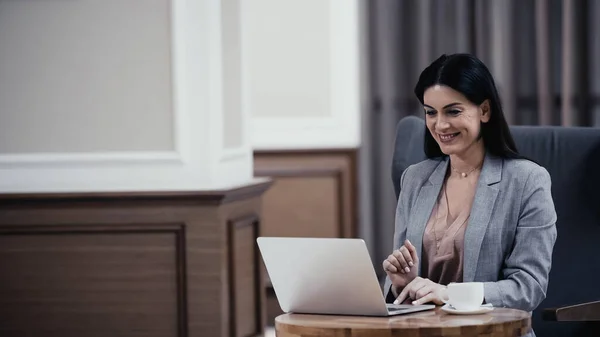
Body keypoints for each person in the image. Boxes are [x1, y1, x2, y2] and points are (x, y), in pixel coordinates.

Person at [382, 53, 557, 323]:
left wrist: (451, 294)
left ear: (485, 111)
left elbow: (528, 287)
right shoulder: (415, 179)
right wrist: (402, 283)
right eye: (431, 112)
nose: (440, 125)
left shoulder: (527, 181)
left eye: (453, 111)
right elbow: (402, 288)